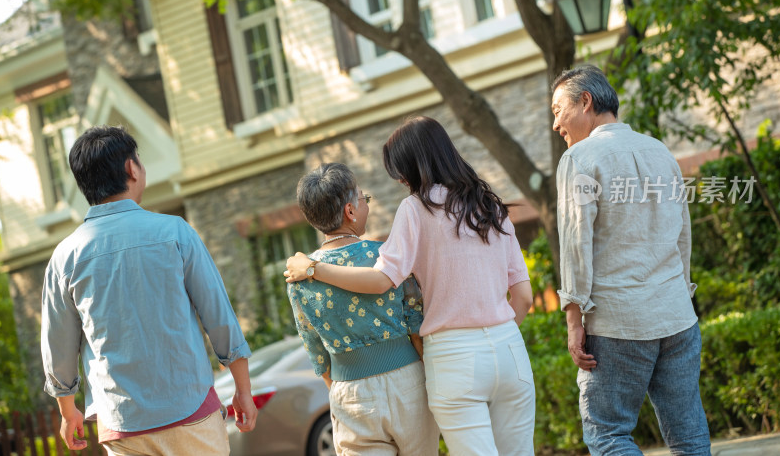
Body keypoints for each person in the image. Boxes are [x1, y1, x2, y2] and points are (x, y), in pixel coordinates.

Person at [285, 117, 536, 456]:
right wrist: (495, 334)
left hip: (454, 356)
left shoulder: (415, 209)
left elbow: (382, 280)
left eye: (399, 171)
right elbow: (523, 297)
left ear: (415, 166)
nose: (401, 180)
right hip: (510, 348)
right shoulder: (490, 204)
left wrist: (314, 268)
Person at [41, 126, 257, 456]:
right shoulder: (175, 233)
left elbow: (58, 345)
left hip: (121, 424)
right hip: (192, 413)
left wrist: (68, 410)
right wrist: (243, 389)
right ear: (131, 169)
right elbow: (219, 316)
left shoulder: (65, 257)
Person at [551, 65, 710, 455]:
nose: (556, 124)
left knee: (607, 435)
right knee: (688, 433)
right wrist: (681, 291)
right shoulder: (659, 150)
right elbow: (682, 234)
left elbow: (575, 247)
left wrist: (574, 320)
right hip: (677, 317)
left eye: (558, 110)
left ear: (585, 101)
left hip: (618, 322)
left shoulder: (580, 159)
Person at [287, 162, 439, 455]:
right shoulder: (385, 256)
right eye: (363, 198)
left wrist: (343, 392)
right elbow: (416, 324)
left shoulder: (299, 277)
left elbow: (316, 352)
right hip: (407, 382)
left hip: (349, 392)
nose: (366, 204)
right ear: (350, 211)